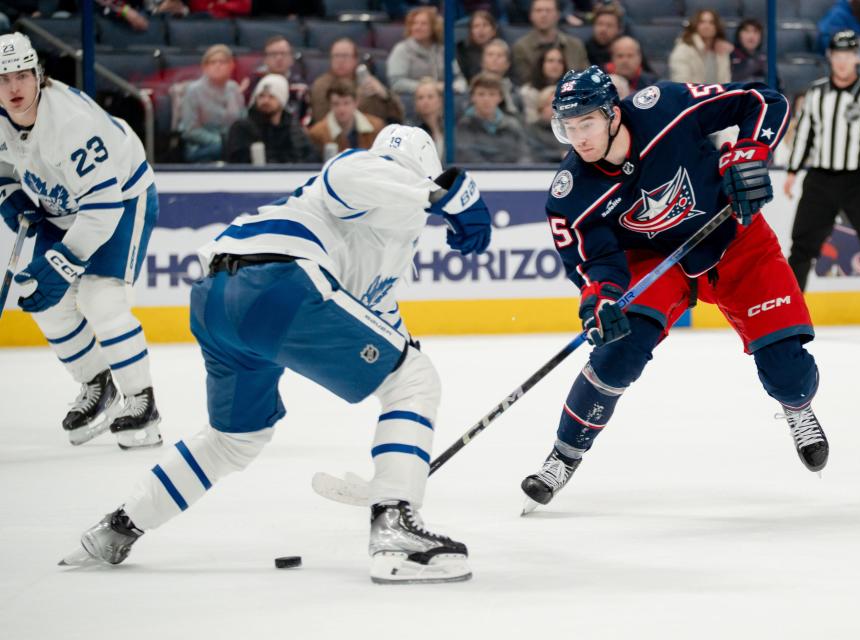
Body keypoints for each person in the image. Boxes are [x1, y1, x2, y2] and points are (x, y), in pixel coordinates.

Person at [59, 125, 493, 584]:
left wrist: (403, 378)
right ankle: (394, 527)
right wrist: (446, 196)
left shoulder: (391, 243)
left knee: (234, 439)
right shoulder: (366, 177)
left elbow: (379, 321)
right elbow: (348, 173)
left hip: (217, 301)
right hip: (279, 283)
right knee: (416, 381)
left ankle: (120, 526)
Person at [520, 65, 829, 513]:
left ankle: (799, 409)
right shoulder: (570, 195)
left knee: (790, 375)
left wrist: (748, 154)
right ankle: (562, 457)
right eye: (569, 127)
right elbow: (595, 263)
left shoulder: (664, 107)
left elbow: (762, 101)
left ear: (613, 114)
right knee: (617, 353)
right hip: (653, 262)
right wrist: (600, 299)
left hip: (733, 236)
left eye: (587, 123)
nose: (579, 138)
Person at [0, 32, 163, 449]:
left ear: (38, 75)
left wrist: (66, 259)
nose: (14, 88)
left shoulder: (69, 123)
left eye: (21, 75)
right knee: (44, 300)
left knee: (100, 299)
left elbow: (103, 204)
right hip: (62, 205)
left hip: (120, 199)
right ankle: (97, 383)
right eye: (2, 79)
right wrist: (11, 194)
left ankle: (142, 401)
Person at [785, 31, 860, 331]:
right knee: (801, 247)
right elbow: (804, 135)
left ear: (856, 58)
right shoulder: (815, 93)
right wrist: (792, 172)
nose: (842, 61)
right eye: (837, 55)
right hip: (820, 179)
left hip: (859, 180)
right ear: (830, 57)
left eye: (848, 55)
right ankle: (791, 310)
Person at [310, 38, 404, 127]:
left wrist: (385, 95)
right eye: (336, 56)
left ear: (355, 59)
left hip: (373, 134)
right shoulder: (321, 85)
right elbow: (321, 118)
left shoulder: (367, 81)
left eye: (345, 56)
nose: (340, 60)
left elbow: (398, 115)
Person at [224, 74, 315, 164]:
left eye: (271, 97)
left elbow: (310, 157)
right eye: (261, 96)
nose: (265, 101)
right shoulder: (242, 128)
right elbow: (238, 161)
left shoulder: (293, 128)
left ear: (282, 101)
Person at [178, 44, 245, 163]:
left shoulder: (234, 89)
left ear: (231, 66)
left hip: (232, 145)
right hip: (201, 147)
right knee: (222, 149)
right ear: (204, 67)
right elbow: (190, 130)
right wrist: (221, 142)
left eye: (222, 62)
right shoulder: (193, 91)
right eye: (212, 62)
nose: (217, 66)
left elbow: (242, 120)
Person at [386, 6, 466, 95]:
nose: (417, 27)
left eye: (423, 24)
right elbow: (397, 83)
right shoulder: (401, 49)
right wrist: (429, 88)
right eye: (414, 23)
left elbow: (459, 79)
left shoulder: (443, 50)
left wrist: (455, 87)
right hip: (411, 99)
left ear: (434, 27)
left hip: (441, 99)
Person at [456, 72, 530, 163]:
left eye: (492, 94)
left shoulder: (513, 125)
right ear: (472, 97)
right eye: (481, 94)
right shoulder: (463, 125)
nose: (486, 99)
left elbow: (524, 154)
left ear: (500, 97)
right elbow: (466, 155)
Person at [511, 0, 589, 86]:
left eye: (548, 10)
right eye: (538, 10)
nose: (544, 15)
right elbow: (525, 82)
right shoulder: (521, 47)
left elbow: (585, 77)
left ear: (557, 15)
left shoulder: (575, 46)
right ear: (531, 15)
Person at [307, 79, 385, 156]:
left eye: (346, 103)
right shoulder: (317, 133)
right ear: (329, 105)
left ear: (356, 103)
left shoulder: (376, 127)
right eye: (336, 104)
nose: (341, 109)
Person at [245, 35, 310, 123]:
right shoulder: (255, 81)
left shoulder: (300, 86)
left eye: (283, 54)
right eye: (273, 54)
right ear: (265, 59)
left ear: (291, 59)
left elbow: (305, 117)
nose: (279, 58)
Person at [669, 9, 734, 84]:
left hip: (719, 95)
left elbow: (726, 81)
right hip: (692, 94)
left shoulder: (721, 49)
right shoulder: (683, 49)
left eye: (711, 22)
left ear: (716, 27)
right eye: (702, 22)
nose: (707, 26)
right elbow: (681, 83)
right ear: (695, 25)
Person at [519, 45, 568, 124]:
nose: (555, 65)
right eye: (550, 61)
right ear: (541, 64)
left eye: (560, 61)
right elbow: (531, 123)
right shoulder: (528, 92)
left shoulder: (570, 90)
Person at [479, 38, 523, 117]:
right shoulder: (474, 88)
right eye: (490, 54)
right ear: (482, 62)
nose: (495, 59)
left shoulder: (516, 94)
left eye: (500, 55)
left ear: (507, 64)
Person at [456, 9, 498, 81]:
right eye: (476, 26)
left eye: (485, 25)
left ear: (493, 31)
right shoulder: (462, 50)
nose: (481, 30)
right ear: (471, 32)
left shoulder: (502, 49)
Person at [408, 78, 445, 158]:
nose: (425, 101)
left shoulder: (450, 127)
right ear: (415, 103)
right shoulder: (411, 130)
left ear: (440, 100)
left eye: (430, 97)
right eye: (420, 98)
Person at [585, 1, 624, 67]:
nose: (603, 29)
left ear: (619, 29)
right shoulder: (584, 49)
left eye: (609, 25)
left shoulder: (626, 47)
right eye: (600, 24)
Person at [731, 18, 768, 83]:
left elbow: (777, 87)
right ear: (739, 35)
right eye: (747, 31)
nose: (751, 36)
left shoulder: (766, 59)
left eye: (755, 32)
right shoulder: (729, 56)